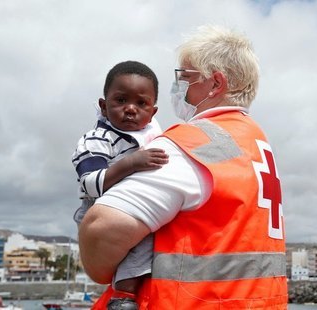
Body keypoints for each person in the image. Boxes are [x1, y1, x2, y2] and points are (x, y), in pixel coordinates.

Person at [79, 25, 288, 309]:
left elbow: (102, 231)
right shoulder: (256, 141)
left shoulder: (190, 143)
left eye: (185, 76)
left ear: (215, 84)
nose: (178, 86)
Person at [72, 61, 168, 309]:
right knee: (142, 241)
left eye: (141, 103)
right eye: (121, 100)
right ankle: (123, 297)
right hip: (101, 208)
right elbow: (91, 183)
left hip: (136, 204)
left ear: (153, 112)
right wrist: (131, 163)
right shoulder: (96, 139)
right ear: (104, 106)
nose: (130, 109)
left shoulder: (152, 136)